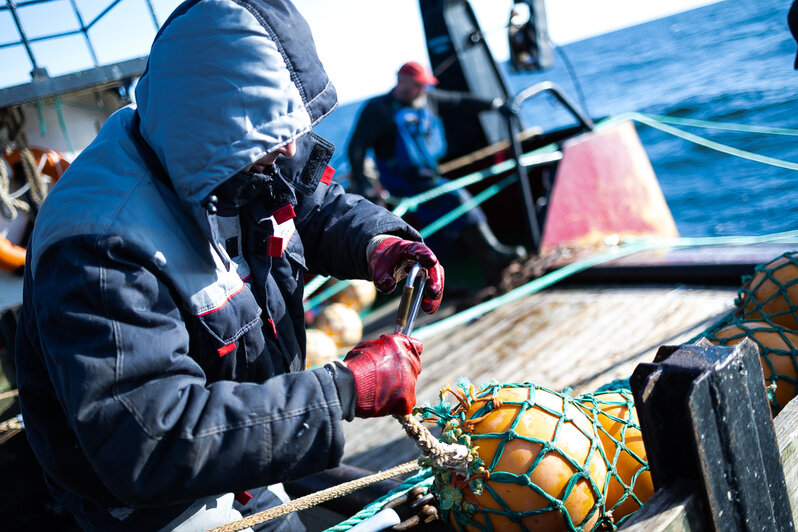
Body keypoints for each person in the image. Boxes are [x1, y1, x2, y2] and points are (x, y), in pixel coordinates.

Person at [13, 1, 445, 531]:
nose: (289, 146)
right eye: (271, 134)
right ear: (213, 123)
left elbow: (311, 206)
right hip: (152, 507)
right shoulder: (99, 247)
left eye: (289, 125)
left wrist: (379, 241)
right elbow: (151, 439)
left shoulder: (236, 147)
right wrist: (344, 389)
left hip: (243, 457)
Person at [347, 61, 526, 285]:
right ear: (402, 83)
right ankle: (492, 253)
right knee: (457, 197)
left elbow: (459, 101)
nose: (424, 90)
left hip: (430, 179)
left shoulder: (426, 100)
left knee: (439, 230)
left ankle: (443, 283)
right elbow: (356, 147)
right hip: (402, 185)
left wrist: (495, 104)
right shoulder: (378, 109)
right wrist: (364, 184)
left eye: (425, 86)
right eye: (418, 85)